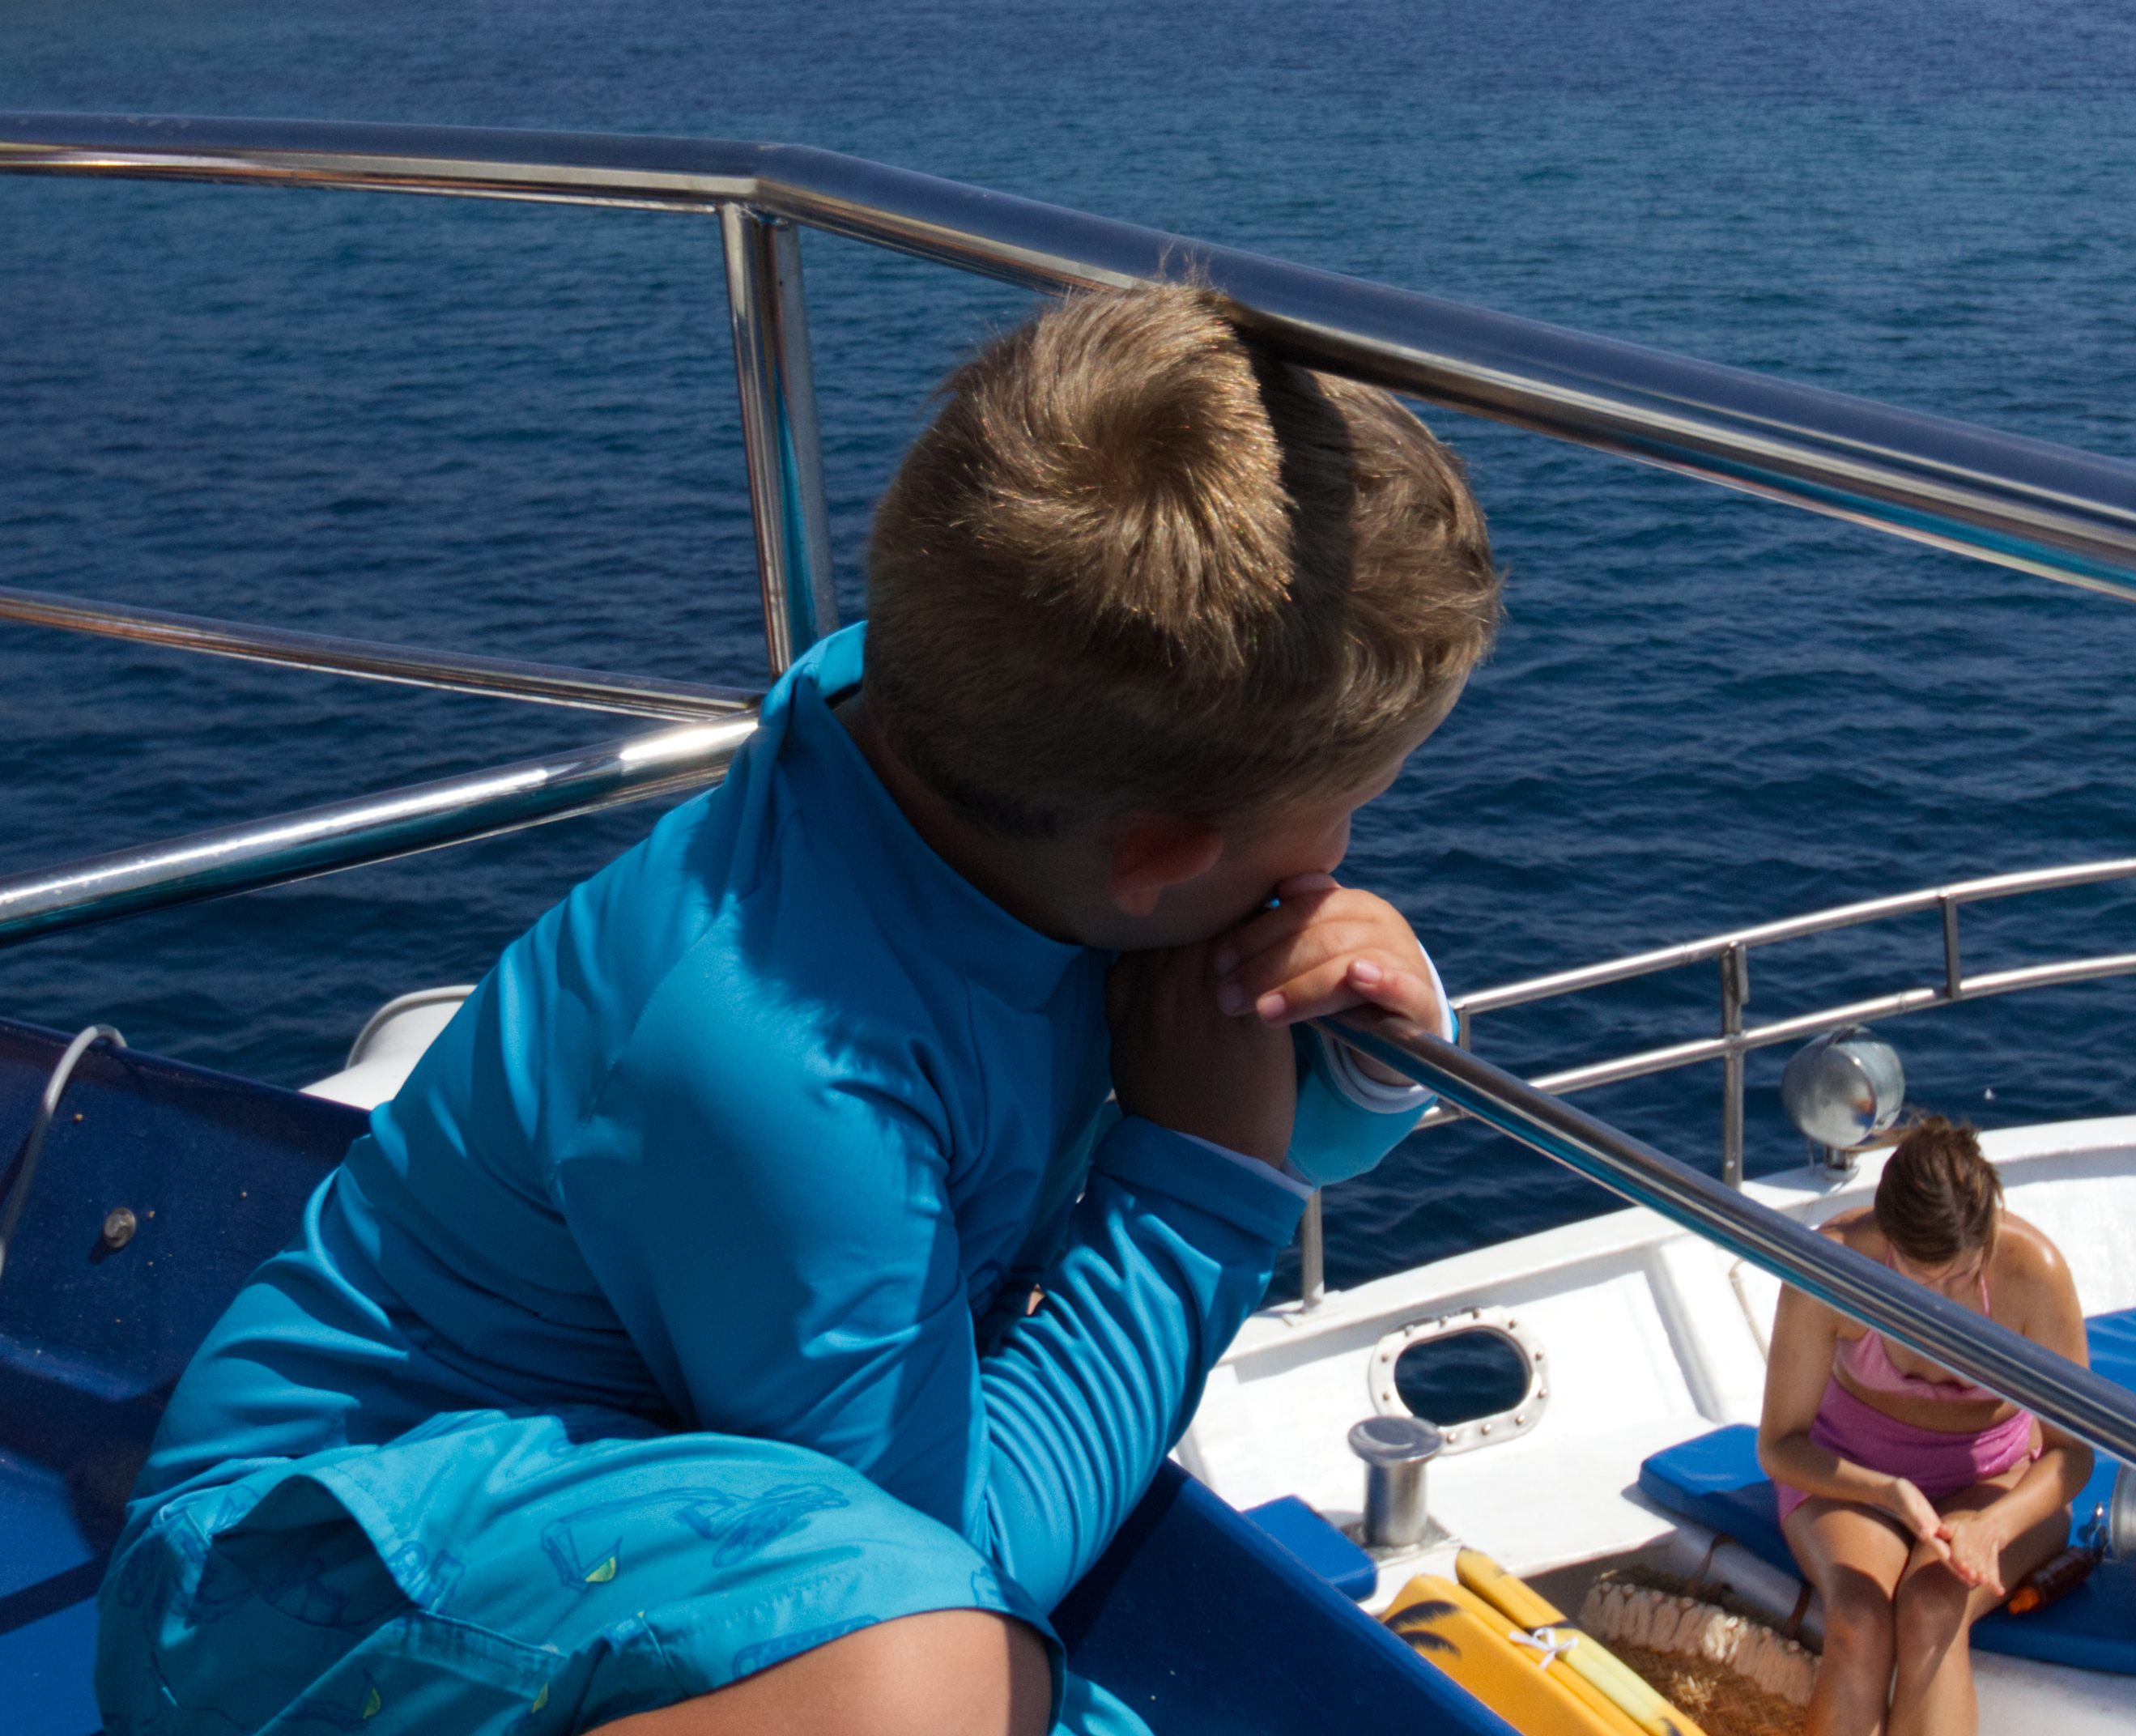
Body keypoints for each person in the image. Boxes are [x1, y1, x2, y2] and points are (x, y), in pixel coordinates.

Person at [93, 285, 1500, 1736]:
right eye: (1345, 815)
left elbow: (1215, 1062)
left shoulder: (960, 769)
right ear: (1158, 860)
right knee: (939, 1688)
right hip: (290, 1605)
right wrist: (1190, 1200)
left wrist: (1364, 1036)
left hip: (606, 1510)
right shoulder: (774, 1061)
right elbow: (948, 1563)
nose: (1339, 858)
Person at [1759, 1117, 2093, 1736]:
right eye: (1921, 1278)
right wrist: (1886, 1492)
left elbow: (2071, 1453)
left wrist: (1993, 1527)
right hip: (1854, 1478)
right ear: (1886, 1240)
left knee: (1933, 1606)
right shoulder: (1832, 1267)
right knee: (1859, 1620)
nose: (1942, 1300)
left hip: (1992, 1481)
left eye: (1963, 1277)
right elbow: (1779, 1446)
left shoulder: (2034, 1272)